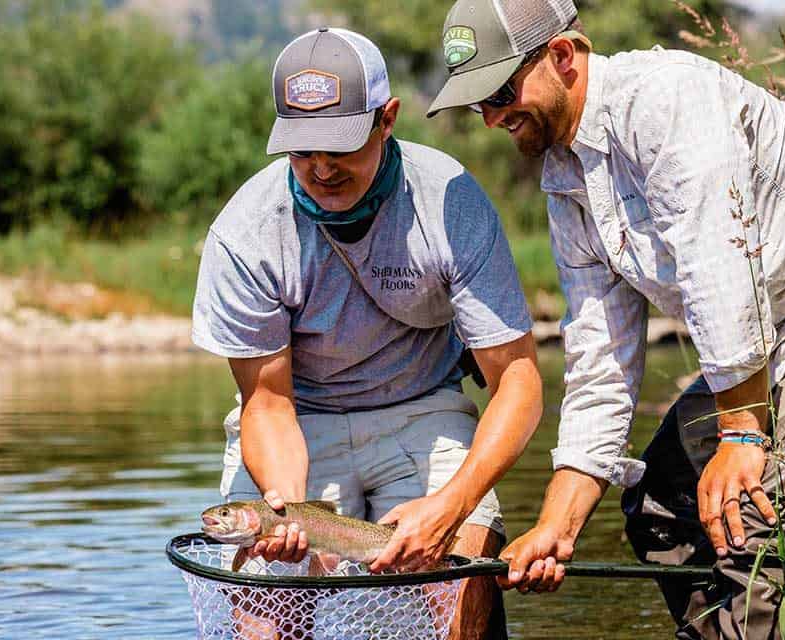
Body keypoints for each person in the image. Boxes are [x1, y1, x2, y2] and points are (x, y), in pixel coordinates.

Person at [427, 0, 785, 637]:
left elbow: (719, 266)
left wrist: (742, 437)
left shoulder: (667, 100)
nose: (490, 119)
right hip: (768, 346)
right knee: (660, 504)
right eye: (476, 104)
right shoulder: (565, 181)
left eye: (501, 92)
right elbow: (600, 365)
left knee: (748, 514)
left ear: (563, 57)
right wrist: (557, 526)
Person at [191, 26, 543, 639]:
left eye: (340, 145)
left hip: (423, 410)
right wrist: (284, 511)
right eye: (302, 151)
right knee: (267, 614)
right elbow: (268, 405)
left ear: (387, 120)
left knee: (460, 582)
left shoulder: (448, 201)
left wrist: (451, 506)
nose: (322, 169)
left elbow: (517, 380)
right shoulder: (245, 232)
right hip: (302, 422)